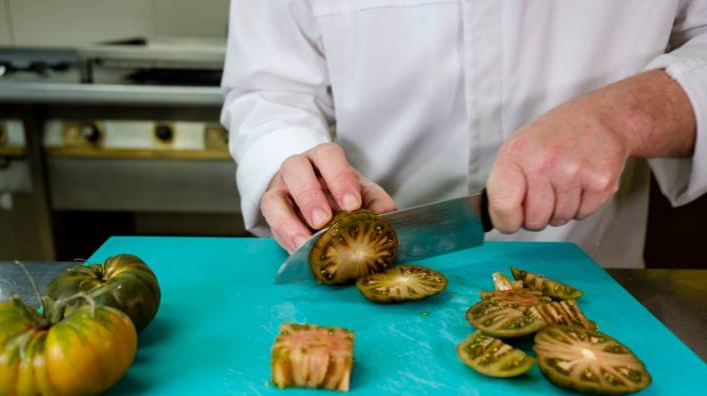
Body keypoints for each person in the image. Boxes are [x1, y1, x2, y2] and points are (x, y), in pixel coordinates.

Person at [221, 1, 706, 268]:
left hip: (592, 272)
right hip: (369, 269)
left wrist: (624, 116)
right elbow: (269, 87)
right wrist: (291, 161)